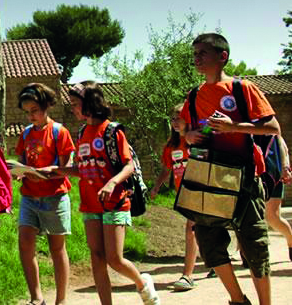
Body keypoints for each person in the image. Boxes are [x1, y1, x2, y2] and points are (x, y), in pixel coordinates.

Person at [181, 33, 278, 305]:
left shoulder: (242, 88)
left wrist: (233, 126)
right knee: (208, 241)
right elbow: (189, 131)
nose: (196, 58)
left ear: (222, 56)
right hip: (208, 179)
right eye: (195, 53)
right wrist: (189, 136)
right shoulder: (194, 95)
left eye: (202, 53)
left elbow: (273, 128)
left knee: (255, 246)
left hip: (244, 178)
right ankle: (238, 300)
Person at [46, 81, 159, 305]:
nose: (73, 109)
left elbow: (129, 166)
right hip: (90, 204)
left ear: (90, 103)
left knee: (114, 259)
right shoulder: (81, 133)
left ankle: (143, 284)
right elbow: (83, 168)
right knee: (97, 258)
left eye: (76, 104)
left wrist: (111, 183)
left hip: (115, 202)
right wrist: (56, 171)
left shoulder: (111, 131)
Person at [14, 83, 75, 305]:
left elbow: (68, 165)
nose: (31, 116)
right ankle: (36, 297)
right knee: (25, 243)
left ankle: (60, 301)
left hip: (55, 198)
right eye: (27, 112)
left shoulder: (60, 132)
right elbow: (22, 161)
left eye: (34, 111)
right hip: (29, 197)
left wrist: (50, 171)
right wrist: (19, 172)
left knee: (57, 249)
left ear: (46, 107)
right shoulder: (26, 134)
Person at [150, 103, 207, 290]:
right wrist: (156, 187)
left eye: (178, 118)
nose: (175, 122)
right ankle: (215, 262)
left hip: (200, 190)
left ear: (188, 119)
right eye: (172, 118)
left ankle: (187, 275)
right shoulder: (171, 145)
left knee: (190, 229)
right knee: (201, 229)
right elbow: (167, 168)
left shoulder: (198, 139)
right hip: (183, 194)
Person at [263, 135, 292, 261]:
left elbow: (280, 142)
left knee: (272, 217)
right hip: (247, 172)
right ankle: (245, 254)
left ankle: (291, 242)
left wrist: (285, 167)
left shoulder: (267, 122)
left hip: (271, 173)